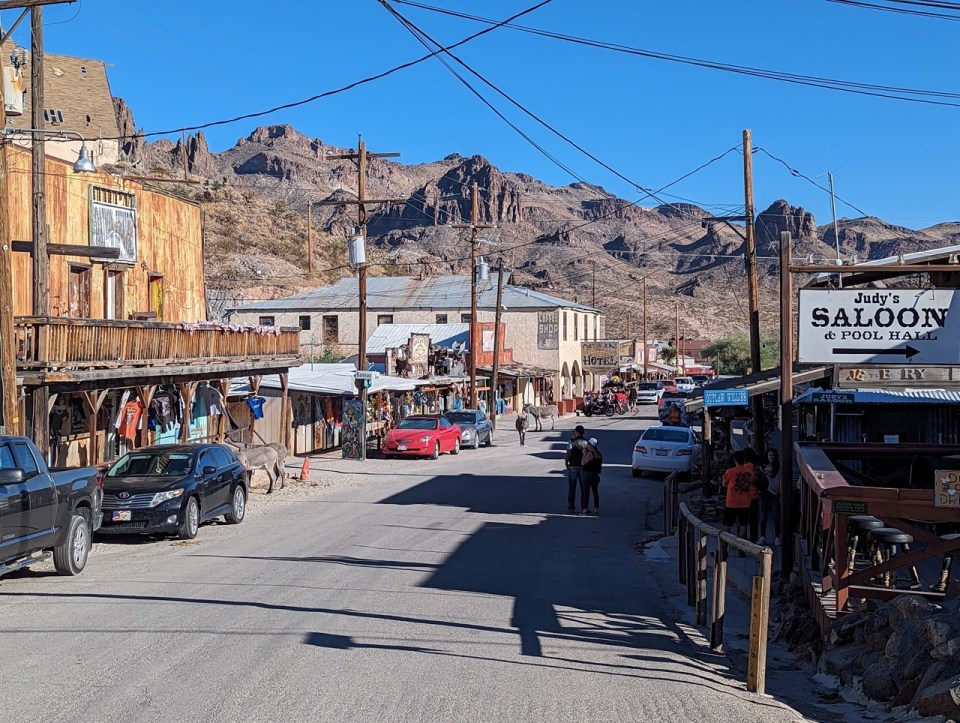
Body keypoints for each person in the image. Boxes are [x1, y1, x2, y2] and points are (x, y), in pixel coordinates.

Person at [759, 448, 782, 545]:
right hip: (764, 493)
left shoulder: (779, 468)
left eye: (773, 455)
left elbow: (780, 481)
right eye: (769, 455)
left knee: (776, 516)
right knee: (762, 516)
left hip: (775, 493)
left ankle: (777, 536)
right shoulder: (763, 467)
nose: (771, 457)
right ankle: (762, 536)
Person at [565, 425, 589, 513]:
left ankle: (571, 507)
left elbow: (568, 453)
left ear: (577, 432)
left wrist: (566, 462)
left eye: (575, 431)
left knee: (572, 488)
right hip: (583, 467)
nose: (574, 433)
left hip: (573, 467)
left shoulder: (571, 441)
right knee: (584, 489)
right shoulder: (586, 442)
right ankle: (584, 508)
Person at [742, 447, 764, 543]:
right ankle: (753, 539)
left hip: (745, 497)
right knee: (754, 520)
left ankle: (742, 541)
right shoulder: (756, 467)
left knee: (743, 521)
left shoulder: (744, 467)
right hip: (755, 496)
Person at [581, 437, 603, 515]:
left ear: (591, 445)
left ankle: (585, 509)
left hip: (588, 474)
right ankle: (596, 509)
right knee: (595, 492)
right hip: (596, 474)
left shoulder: (590, 453)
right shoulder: (599, 454)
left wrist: (584, 454)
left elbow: (583, 462)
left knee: (586, 492)